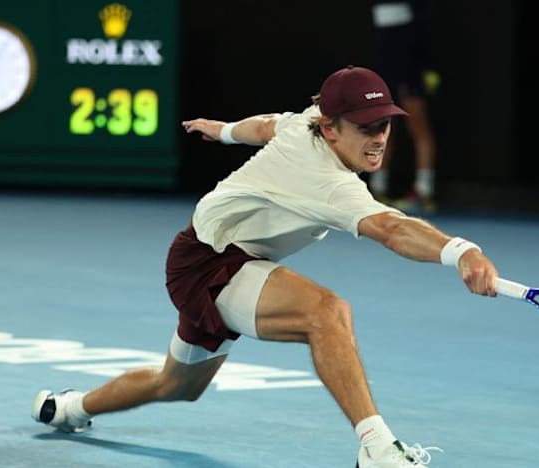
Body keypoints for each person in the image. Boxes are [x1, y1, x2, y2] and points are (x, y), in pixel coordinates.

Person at [31, 66, 498, 468]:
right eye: (366, 127)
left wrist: (224, 129)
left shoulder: (311, 123)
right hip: (210, 264)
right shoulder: (327, 179)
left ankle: (69, 408)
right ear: (332, 128)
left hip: (221, 256)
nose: (378, 138)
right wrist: (462, 251)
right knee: (327, 313)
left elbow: (269, 125)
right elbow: (393, 230)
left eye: (384, 125)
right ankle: (376, 449)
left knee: (175, 384)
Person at [367, 0, 439, 214]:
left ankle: (424, 191)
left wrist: (426, 67)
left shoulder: (414, 14)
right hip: (385, 63)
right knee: (383, 127)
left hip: (410, 66)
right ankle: (376, 189)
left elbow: (421, 28)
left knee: (419, 126)